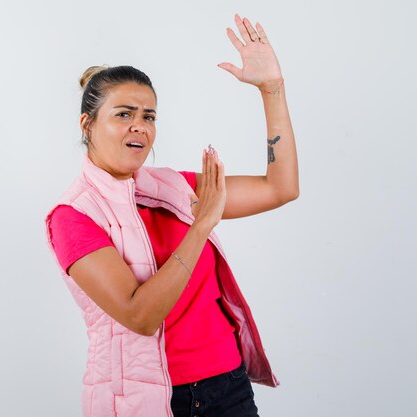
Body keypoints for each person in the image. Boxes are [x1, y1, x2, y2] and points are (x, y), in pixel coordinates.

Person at [45, 14, 298, 417]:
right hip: (152, 402)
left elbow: (280, 188)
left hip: (227, 389)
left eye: (149, 116)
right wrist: (201, 227)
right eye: (124, 114)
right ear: (87, 125)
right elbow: (140, 315)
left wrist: (272, 89)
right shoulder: (73, 216)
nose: (140, 127)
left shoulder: (172, 187)